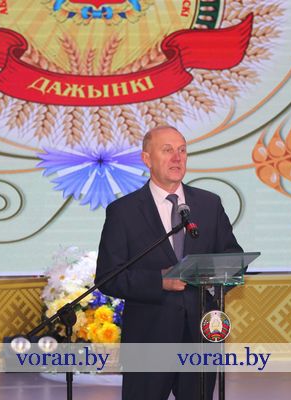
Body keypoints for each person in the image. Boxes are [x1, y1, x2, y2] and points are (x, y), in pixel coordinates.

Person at [95, 126, 243, 400]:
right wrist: (159, 281)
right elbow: (108, 277)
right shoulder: (124, 211)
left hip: (200, 338)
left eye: (182, 150)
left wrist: (210, 280)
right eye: (167, 150)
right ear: (147, 159)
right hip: (148, 339)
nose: (177, 157)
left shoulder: (209, 204)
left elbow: (233, 258)